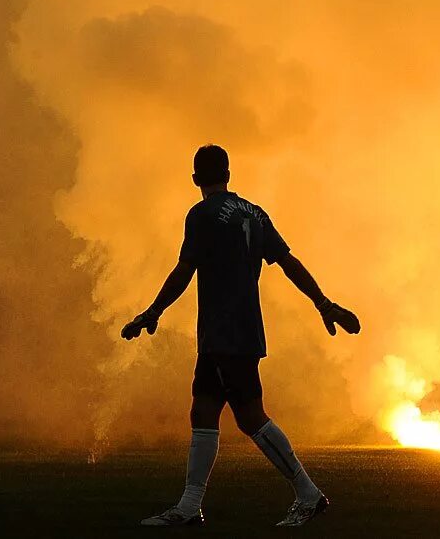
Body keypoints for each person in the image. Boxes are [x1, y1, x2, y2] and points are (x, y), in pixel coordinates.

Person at [121, 144, 360, 528]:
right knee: (203, 410)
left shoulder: (202, 215)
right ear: (228, 175)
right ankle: (189, 506)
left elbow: (185, 269)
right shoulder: (255, 212)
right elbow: (287, 262)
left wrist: (153, 312)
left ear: (196, 179)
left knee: (251, 418)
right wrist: (323, 303)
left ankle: (308, 493)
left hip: (226, 330)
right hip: (236, 330)